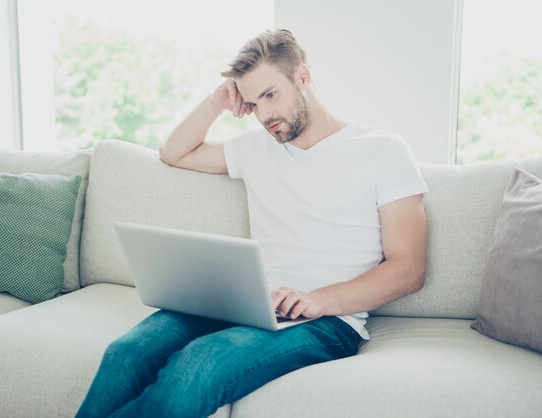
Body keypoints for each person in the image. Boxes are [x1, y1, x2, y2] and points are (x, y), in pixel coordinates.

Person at [76, 29, 428, 418]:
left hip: (325, 321)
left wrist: (316, 300)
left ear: (303, 77)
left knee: (200, 363)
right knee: (126, 354)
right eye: (253, 103)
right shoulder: (256, 149)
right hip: (242, 302)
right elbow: (174, 152)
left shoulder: (383, 150)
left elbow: (408, 269)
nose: (264, 115)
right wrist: (215, 102)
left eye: (271, 95)